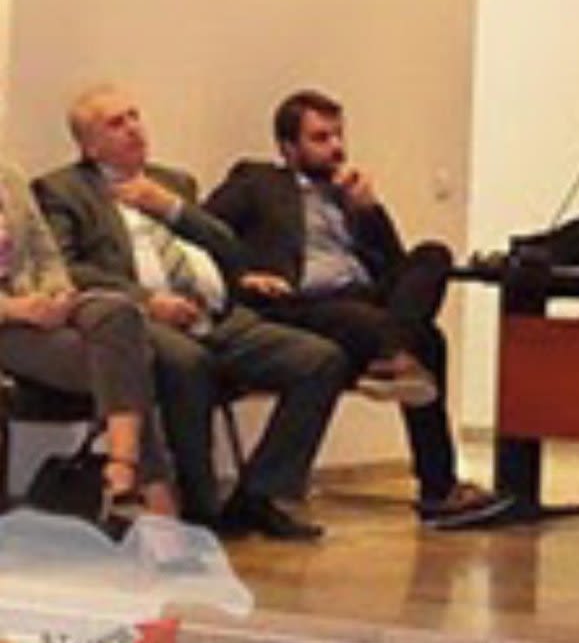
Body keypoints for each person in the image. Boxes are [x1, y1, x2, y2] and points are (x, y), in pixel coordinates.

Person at [37, 86, 349, 539]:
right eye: (116, 124)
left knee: (321, 360)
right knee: (188, 363)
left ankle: (259, 495)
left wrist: (173, 209)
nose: (133, 129)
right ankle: (201, 508)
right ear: (90, 145)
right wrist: (147, 302)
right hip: (143, 320)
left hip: (214, 315)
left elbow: (228, 249)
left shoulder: (174, 181)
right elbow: (68, 269)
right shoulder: (63, 190)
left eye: (134, 116)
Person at [205, 89, 513, 530]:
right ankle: (438, 485)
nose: (336, 147)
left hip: (363, 301)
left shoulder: (348, 196)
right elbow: (203, 232)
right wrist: (241, 277)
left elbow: (395, 266)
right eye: (320, 138)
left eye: (338, 136)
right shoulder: (258, 182)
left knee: (433, 255)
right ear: (289, 148)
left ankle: (393, 354)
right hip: (301, 303)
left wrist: (371, 211)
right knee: (427, 341)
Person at [0, 146, 174, 529]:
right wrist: (17, 309)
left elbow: (46, 253)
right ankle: (151, 494)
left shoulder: (8, 175)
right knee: (124, 364)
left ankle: (122, 461)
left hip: (42, 305)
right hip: (7, 323)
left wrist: (57, 295)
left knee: (118, 314)